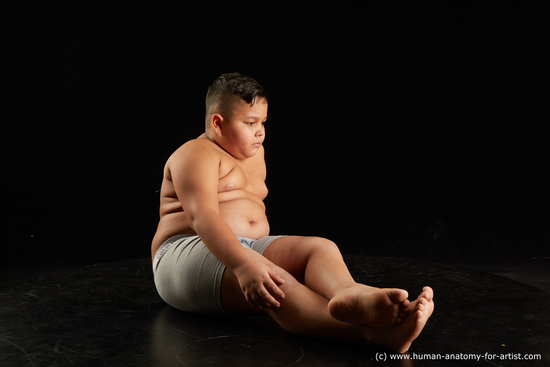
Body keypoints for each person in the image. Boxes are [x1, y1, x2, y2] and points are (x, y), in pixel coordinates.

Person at [151, 72, 434, 353]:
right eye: (250, 123)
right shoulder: (195, 153)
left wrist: (247, 258)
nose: (260, 131)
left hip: (243, 247)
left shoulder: (252, 152)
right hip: (183, 252)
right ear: (217, 123)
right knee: (275, 282)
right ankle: (374, 333)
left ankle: (348, 293)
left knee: (319, 247)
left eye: (263, 122)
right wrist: (243, 265)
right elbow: (203, 217)